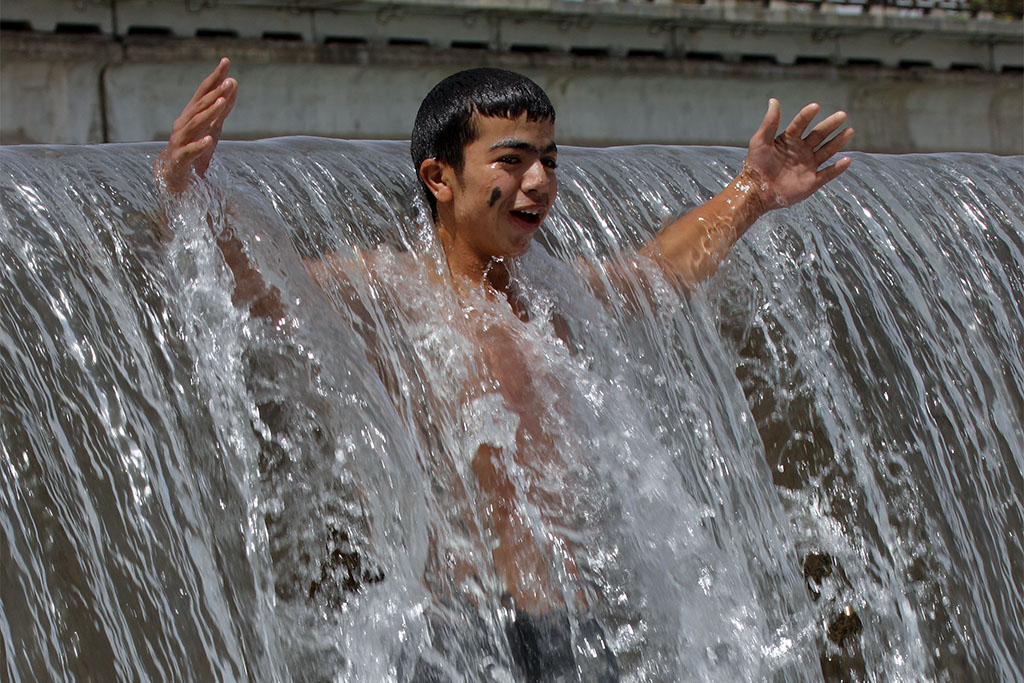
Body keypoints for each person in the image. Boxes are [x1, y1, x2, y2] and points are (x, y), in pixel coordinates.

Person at [155, 57, 853, 681]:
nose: (540, 182)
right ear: (440, 177)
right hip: (458, 634)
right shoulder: (389, 292)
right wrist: (183, 190)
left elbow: (657, 273)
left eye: (549, 159)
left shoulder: (556, 294)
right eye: (513, 161)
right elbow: (260, 286)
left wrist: (751, 194)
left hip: (574, 634)